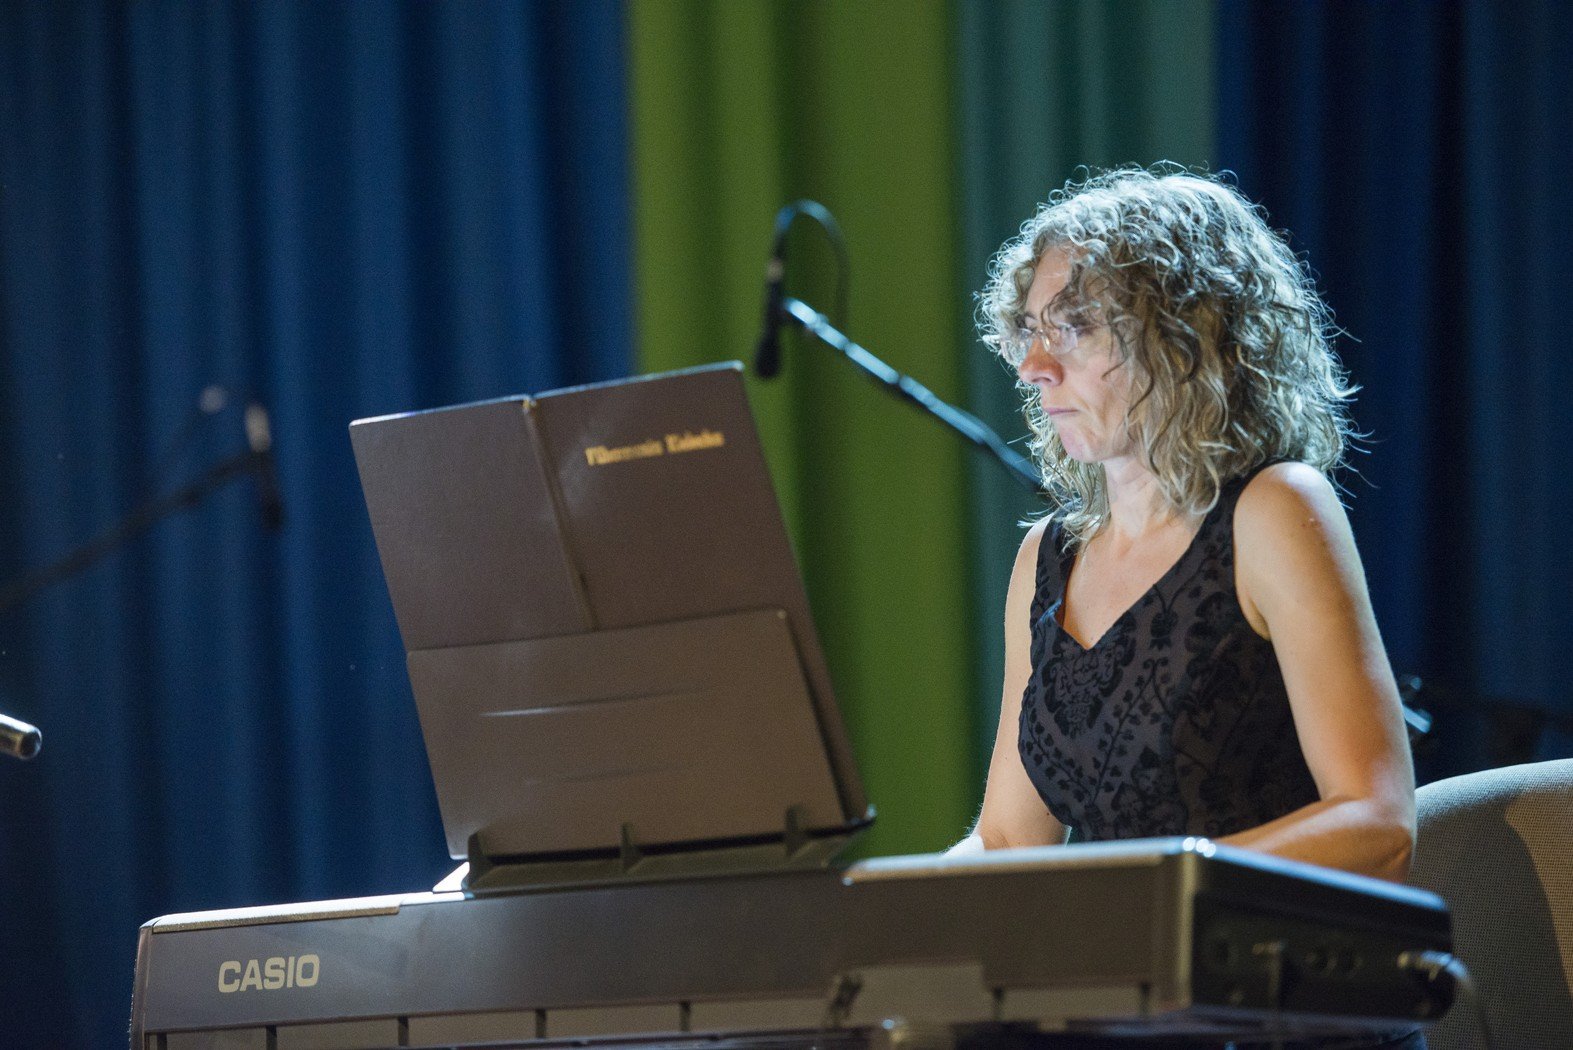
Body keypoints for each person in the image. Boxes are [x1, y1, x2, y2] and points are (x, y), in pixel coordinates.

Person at [951, 168, 1422, 1049]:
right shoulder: (1045, 558)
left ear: (1182, 336)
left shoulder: (1274, 510)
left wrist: (1138, 898)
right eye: (1029, 332)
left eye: (1074, 327)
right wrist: (883, 913)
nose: (1032, 366)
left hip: (1284, 1013)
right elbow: (1010, 840)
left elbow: (1376, 823)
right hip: (1131, 1006)